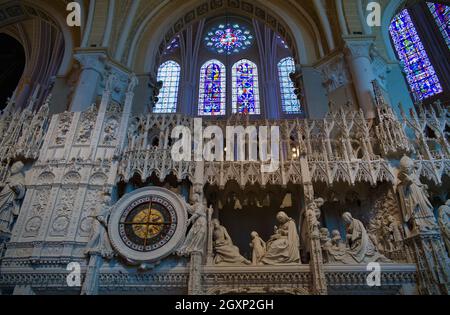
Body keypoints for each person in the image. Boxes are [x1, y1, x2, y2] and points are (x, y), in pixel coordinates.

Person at [397, 156, 438, 236]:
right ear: (403, 170)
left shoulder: (415, 177)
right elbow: (402, 193)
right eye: (406, 168)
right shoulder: (402, 182)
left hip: (420, 197)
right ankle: (418, 224)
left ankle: (430, 223)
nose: (408, 169)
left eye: (409, 167)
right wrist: (407, 184)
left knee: (425, 207)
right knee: (416, 210)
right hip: (412, 198)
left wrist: (423, 187)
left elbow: (420, 187)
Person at [0, 162, 26, 234]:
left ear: (19, 169)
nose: (13, 168)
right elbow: (4, 186)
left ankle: (3, 226)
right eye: (13, 166)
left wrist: (13, 185)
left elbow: (21, 190)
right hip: (3, 196)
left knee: (6, 210)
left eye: (15, 167)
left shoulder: (20, 178)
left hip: (10, 198)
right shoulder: (9, 176)